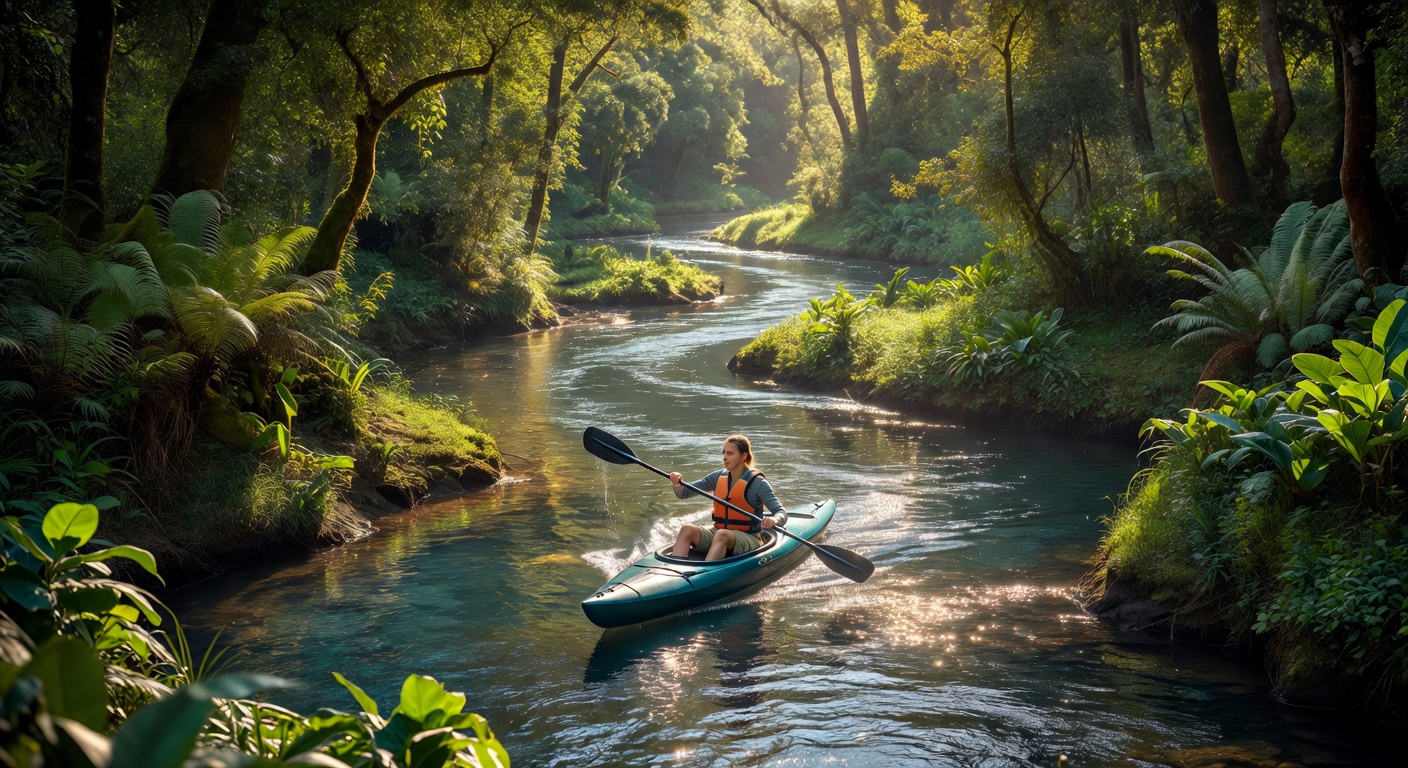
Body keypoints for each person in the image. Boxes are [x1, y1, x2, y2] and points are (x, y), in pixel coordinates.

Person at [669, 434, 787, 561]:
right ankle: (675, 568)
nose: (725, 457)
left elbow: (781, 512)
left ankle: (707, 571)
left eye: (730, 453)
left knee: (722, 535)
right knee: (687, 529)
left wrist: (774, 520)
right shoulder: (718, 477)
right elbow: (684, 493)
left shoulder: (758, 482)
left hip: (749, 537)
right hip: (719, 531)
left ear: (744, 456)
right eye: (724, 453)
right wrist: (677, 484)